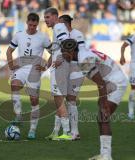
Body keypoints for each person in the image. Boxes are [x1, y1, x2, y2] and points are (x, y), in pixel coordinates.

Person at [61, 40, 128, 160]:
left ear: (71, 52)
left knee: (103, 116)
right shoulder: (83, 55)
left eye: (64, 52)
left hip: (115, 82)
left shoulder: (84, 60)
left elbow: (101, 83)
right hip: (112, 81)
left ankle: (106, 156)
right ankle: (105, 154)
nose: (62, 55)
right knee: (102, 116)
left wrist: (104, 102)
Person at [6, 12, 51, 139]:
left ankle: (32, 130)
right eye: (30, 25)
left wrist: (45, 67)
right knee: (14, 85)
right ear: (27, 23)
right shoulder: (19, 35)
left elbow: (53, 53)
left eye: (34, 25)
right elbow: (9, 50)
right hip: (20, 69)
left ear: (37, 24)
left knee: (34, 100)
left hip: (34, 71)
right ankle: (19, 115)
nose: (32, 27)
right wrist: (10, 64)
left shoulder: (43, 37)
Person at [44, 7, 73, 140]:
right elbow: (57, 48)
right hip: (59, 67)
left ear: (55, 17)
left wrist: (62, 57)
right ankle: (56, 132)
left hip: (60, 68)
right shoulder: (58, 29)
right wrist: (48, 62)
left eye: (48, 17)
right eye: (45, 18)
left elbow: (68, 44)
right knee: (58, 100)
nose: (46, 20)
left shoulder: (58, 27)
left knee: (59, 99)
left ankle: (67, 133)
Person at [57, 14, 86, 140]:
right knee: (67, 99)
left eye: (60, 23)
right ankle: (70, 131)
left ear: (66, 23)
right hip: (66, 68)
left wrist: (67, 54)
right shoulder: (62, 36)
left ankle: (75, 132)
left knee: (71, 99)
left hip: (76, 68)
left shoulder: (77, 34)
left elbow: (80, 53)